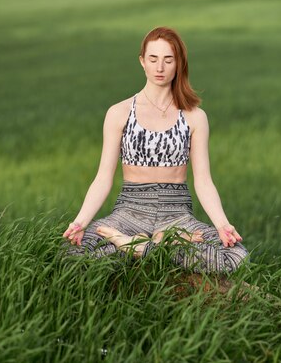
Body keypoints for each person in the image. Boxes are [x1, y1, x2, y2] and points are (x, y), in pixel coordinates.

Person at [63, 26, 248, 274]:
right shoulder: (119, 113)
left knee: (236, 256)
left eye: (168, 59)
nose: (160, 67)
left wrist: (223, 225)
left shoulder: (195, 117)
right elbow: (103, 178)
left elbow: (203, 181)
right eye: (153, 59)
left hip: (177, 214)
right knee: (71, 254)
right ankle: (158, 245)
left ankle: (138, 247)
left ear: (178, 63)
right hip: (129, 211)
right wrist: (80, 222)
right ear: (142, 62)